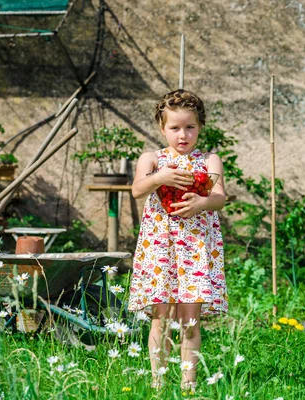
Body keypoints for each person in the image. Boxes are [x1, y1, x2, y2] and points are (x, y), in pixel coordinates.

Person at [128, 89, 228, 391]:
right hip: (161, 247)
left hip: (195, 249)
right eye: (174, 128)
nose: (182, 135)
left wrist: (202, 202)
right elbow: (137, 190)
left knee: (190, 319)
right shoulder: (152, 159)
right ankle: (158, 384)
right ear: (162, 128)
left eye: (190, 127)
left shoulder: (210, 159)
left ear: (200, 127)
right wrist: (159, 178)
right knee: (161, 316)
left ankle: (188, 384)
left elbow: (220, 198)